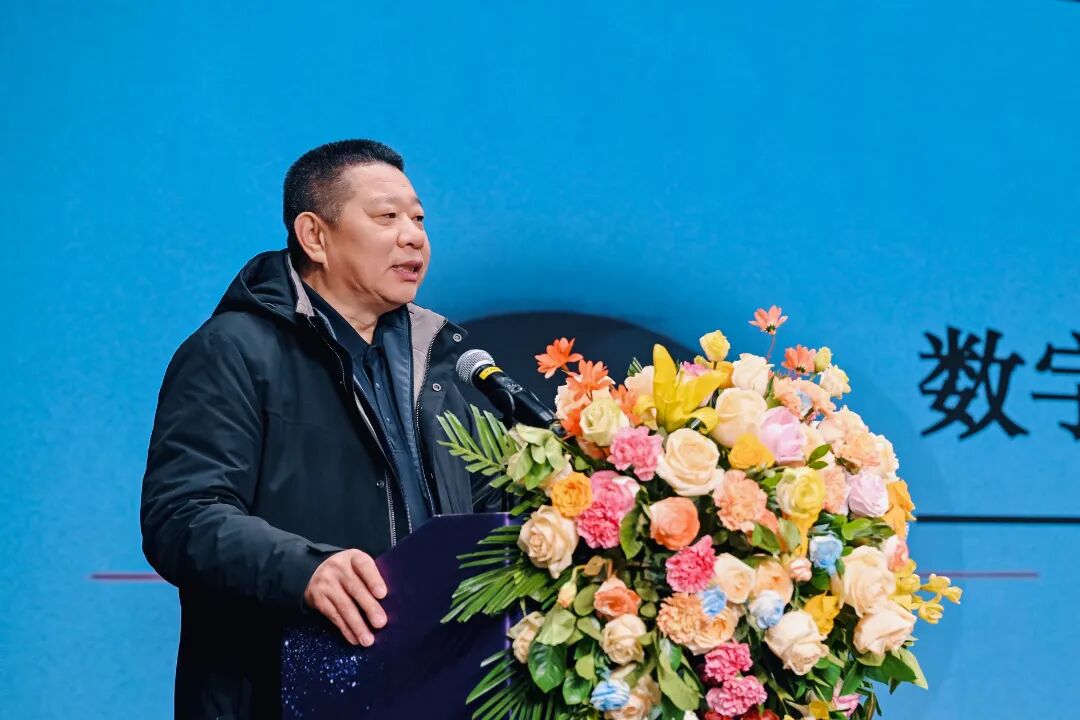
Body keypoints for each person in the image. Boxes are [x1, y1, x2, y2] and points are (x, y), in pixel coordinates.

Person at [140, 139, 497, 719]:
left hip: (427, 692)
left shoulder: (437, 369)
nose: (414, 237)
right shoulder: (233, 351)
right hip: (276, 694)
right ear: (314, 236)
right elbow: (182, 517)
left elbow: (485, 517)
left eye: (418, 219)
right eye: (387, 217)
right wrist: (306, 569)